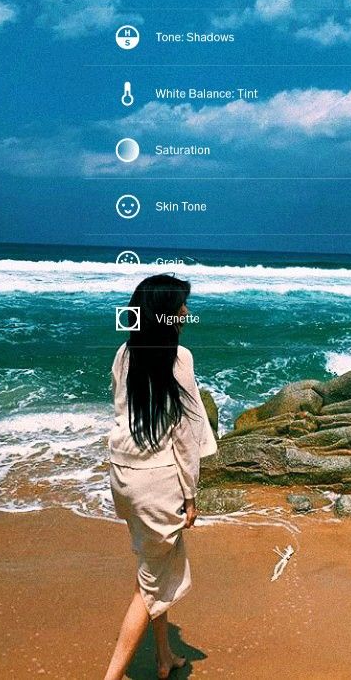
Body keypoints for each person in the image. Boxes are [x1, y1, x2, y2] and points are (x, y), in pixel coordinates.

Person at [103, 275, 217, 680]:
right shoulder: (179, 358)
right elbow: (186, 439)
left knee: (154, 566)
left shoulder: (124, 352)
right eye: (181, 305)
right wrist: (190, 496)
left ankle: (164, 656)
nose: (187, 312)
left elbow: (120, 411)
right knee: (149, 585)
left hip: (125, 478)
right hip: (157, 485)